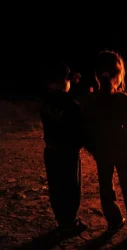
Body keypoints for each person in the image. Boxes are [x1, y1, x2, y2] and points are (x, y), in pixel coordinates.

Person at [82, 50, 127, 238]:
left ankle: (114, 221)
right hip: (122, 151)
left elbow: (86, 128)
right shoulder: (122, 99)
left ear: (97, 76)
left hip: (102, 152)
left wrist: (93, 148)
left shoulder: (91, 100)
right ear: (119, 75)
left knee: (106, 187)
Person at [39, 61, 87, 236]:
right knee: (72, 188)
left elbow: (60, 97)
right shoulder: (71, 106)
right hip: (68, 153)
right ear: (63, 80)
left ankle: (62, 220)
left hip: (51, 150)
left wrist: (69, 81)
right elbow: (80, 130)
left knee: (56, 187)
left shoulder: (44, 100)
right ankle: (71, 222)